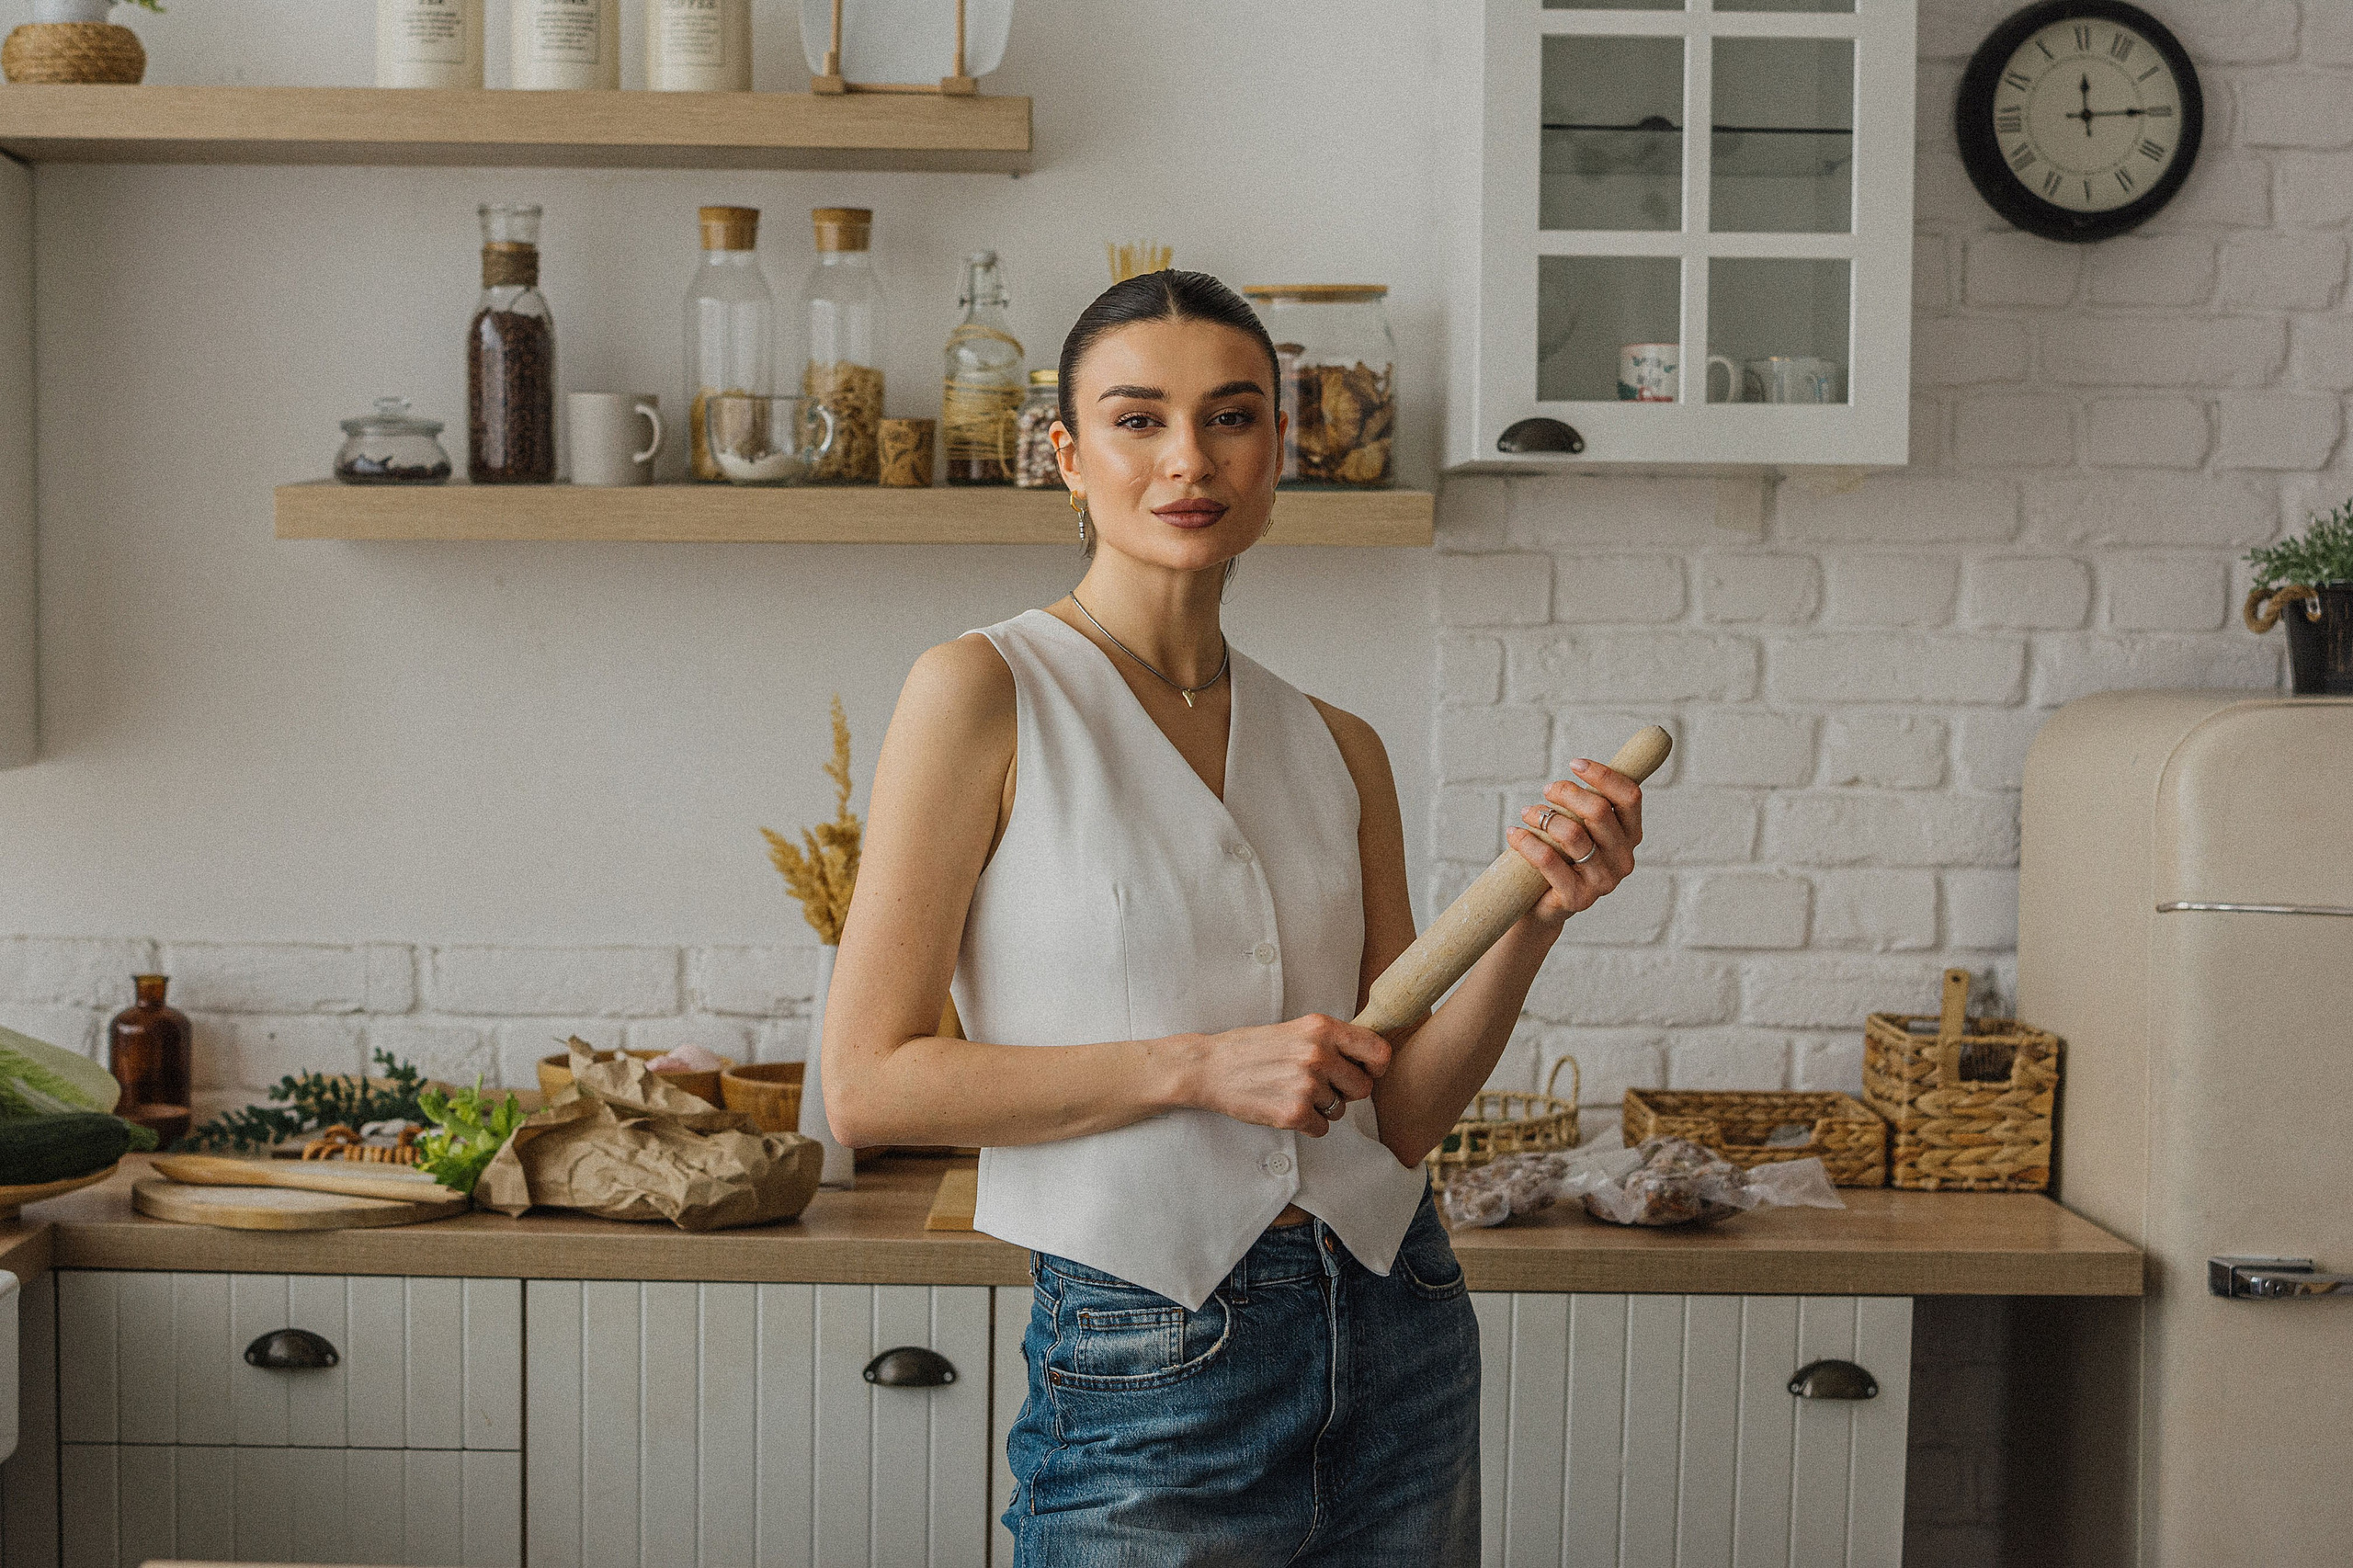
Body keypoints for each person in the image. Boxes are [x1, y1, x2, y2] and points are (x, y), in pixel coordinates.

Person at [823, 270, 1644, 1565]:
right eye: (1137, 420)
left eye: (1233, 416)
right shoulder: (984, 691)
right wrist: (1204, 1064)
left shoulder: (1340, 744)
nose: (1187, 459)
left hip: (1400, 1322)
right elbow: (868, 1087)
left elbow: (1404, 1111)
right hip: (1149, 1356)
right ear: (1065, 457)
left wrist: (1535, 915)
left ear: (1279, 452)